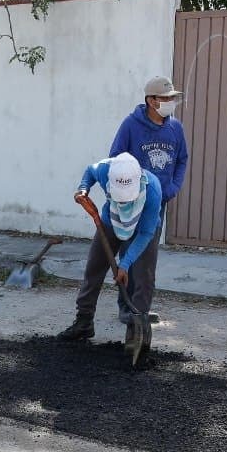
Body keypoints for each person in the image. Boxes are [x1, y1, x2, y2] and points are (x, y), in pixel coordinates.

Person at [57, 152, 163, 354]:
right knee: (94, 269)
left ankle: (136, 332)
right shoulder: (105, 169)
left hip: (143, 230)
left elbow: (147, 233)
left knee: (143, 277)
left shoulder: (153, 189)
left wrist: (125, 264)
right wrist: (83, 188)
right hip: (110, 222)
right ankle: (84, 322)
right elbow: (90, 171)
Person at [108, 75, 189, 325]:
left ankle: (140, 309)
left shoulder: (175, 128)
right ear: (151, 101)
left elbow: (182, 159)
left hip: (157, 203)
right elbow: (115, 158)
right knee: (129, 254)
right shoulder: (130, 125)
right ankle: (125, 305)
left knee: (147, 258)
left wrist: (173, 187)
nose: (170, 102)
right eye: (165, 98)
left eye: (172, 98)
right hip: (130, 203)